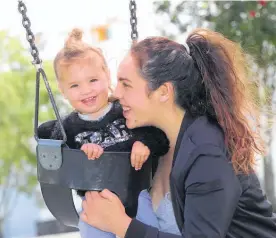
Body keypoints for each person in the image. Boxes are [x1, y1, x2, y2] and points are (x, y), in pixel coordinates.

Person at [80, 28, 276, 238]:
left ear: (163, 92)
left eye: (126, 84)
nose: (116, 94)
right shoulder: (153, 144)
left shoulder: (207, 152)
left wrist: (122, 226)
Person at [37, 28, 169, 238]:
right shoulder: (67, 128)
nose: (86, 90)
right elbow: (55, 157)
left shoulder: (126, 111)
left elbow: (160, 137)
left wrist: (144, 143)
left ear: (107, 76)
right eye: (74, 85)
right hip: (95, 206)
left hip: (137, 197)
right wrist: (80, 154)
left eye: (93, 80)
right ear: (63, 91)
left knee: (150, 231)